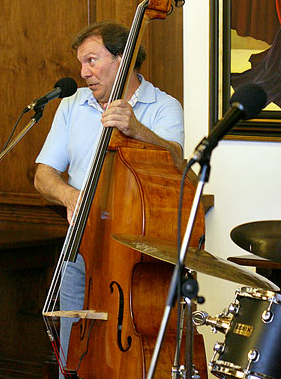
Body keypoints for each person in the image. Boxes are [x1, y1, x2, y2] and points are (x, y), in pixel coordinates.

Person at [33, 21, 184, 377]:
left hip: (135, 251)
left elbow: (179, 162)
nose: (83, 72)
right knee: (72, 347)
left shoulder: (163, 107)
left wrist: (137, 130)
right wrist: (71, 196)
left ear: (124, 58)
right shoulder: (71, 106)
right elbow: (44, 175)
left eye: (91, 61)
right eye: (81, 63)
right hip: (81, 246)